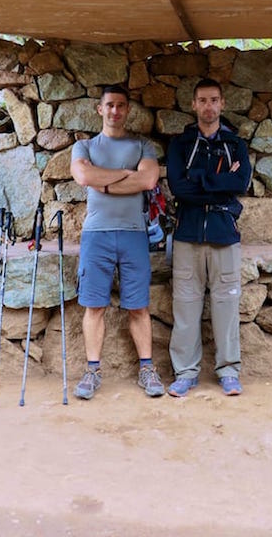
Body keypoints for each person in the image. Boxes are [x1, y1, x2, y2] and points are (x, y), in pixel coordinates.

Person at [69, 84, 165, 399]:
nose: (115, 111)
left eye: (121, 105)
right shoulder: (84, 147)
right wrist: (125, 176)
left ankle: (147, 370)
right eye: (109, 105)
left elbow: (148, 180)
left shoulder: (142, 146)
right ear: (100, 109)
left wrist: (104, 181)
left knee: (139, 306)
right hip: (96, 235)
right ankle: (93, 371)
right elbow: (83, 177)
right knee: (94, 305)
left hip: (134, 234)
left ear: (127, 110)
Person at [166, 78, 251, 397]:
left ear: (223, 104)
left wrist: (199, 181)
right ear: (193, 104)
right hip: (188, 234)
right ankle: (185, 372)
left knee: (226, 305)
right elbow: (178, 187)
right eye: (202, 100)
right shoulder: (180, 145)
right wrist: (219, 183)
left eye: (214, 100)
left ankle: (229, 371)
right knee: (185, 305)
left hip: (223, 235)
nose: (209, 106)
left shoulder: (236, 145)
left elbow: (240, 183)